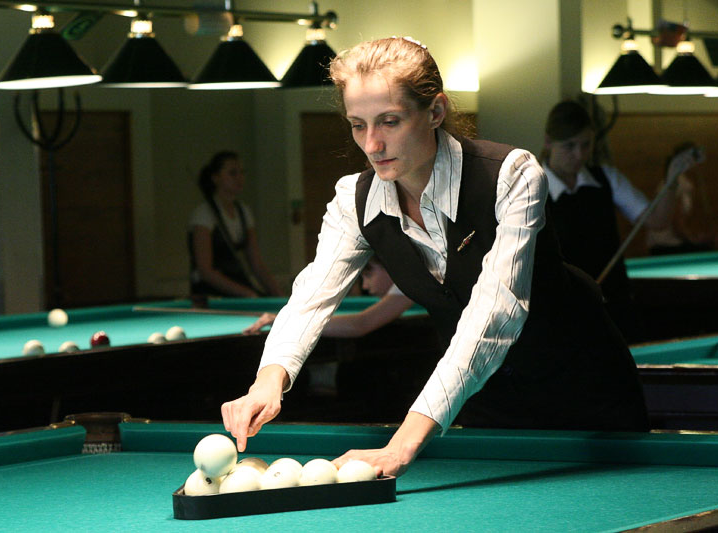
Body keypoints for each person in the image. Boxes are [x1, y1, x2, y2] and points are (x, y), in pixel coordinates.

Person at [222, 37, 649, 479]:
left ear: (435, 111)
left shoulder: (512, 174)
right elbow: (312, 295)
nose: (372, 144)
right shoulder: (354, 199)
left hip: (586, 388)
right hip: (485, 396)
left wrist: (401, 444)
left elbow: (494, 314)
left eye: (389, 121)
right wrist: (267, 381)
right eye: (357, 125)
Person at [541, 101, 703, 341]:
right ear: (548, 142)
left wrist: (672, 180)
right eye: (569, 146)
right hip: (561, 312)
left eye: (586, 145)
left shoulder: (606, 178)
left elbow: (657, 221)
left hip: (615, 306)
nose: (579, 155)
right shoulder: (532, 187)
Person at [188, 151, 284, 298]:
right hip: (209, 293)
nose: (240, 178)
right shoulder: (203, 214)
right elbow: (205, 271)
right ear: (215, 178)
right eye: (232, 173)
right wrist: (246, 293)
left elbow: (257, 265)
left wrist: (280, 296)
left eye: (242, 172)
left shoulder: (244, 212)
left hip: (238, 286)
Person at [242, 258, 414, 337]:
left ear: (389, 266)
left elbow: (360, 323)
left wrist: (287, 321)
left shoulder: (411, 280)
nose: (364, 286)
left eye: (368, 274)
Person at [646, 143, 715, 256]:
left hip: (664, 245)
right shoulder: (678, 183)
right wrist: (694, 241)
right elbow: (676, 222)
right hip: (667, 247)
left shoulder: (673, 182)